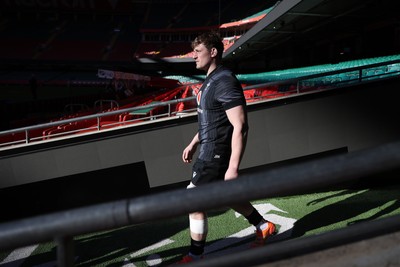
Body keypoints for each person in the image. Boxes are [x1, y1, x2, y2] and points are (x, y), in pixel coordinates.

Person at [177, 31, 277, 264]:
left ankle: (195, 255)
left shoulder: (224, 80)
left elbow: (240, 125)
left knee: (193, 199)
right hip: (207, 148)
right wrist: (194, 141)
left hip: (216, 153)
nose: (194, 57)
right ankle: (263, 225)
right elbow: (211, 119)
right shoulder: (211, 80)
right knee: (226, 194)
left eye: (198, 52)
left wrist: (233, 168)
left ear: (213, 52)